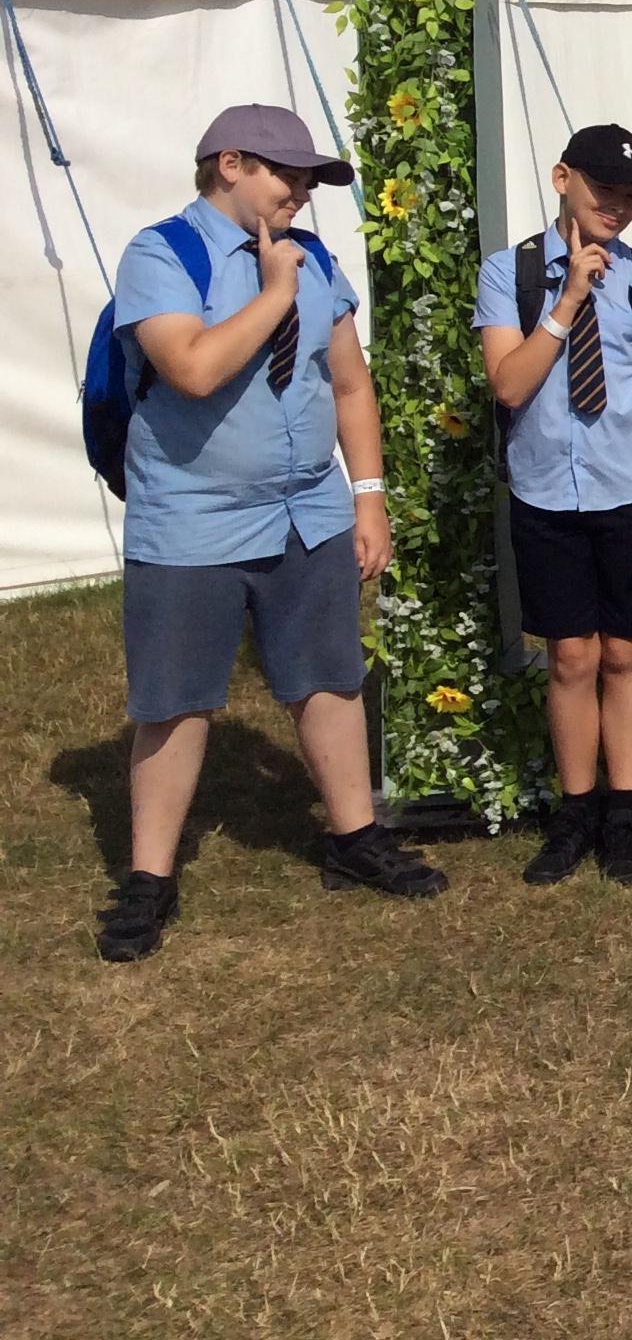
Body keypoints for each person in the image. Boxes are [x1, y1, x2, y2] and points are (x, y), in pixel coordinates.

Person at [95, 105, 444, 962]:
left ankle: (355, 836)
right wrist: (275, 293)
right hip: (191, 518)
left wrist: (368, 497)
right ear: (229, 164)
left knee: (328, 679)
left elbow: (349, 384)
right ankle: (149, 880)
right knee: (176, 702)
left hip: (307, 510)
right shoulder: (161, 255)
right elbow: (192, 367)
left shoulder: (313, 256)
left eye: (310, 180)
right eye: (287, 176)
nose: (301, 193)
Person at [475, 125, 632, 888]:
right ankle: (575, 812)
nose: (618, 207)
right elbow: (509, 385)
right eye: (605, 190)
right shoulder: (510, 274)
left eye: (631, 196)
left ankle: (626, 813)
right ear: (562, 178)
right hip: (546, 494)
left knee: (626, 653)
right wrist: (567, 299)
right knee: (570, 657)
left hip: (629, 492)